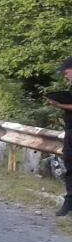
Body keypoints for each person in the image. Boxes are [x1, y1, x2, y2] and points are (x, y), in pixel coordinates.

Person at [45, 55, 72, 217]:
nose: (65, 75)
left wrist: (59, 105)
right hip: (70, 132)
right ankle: (69, 202)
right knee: (69, 167)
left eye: (67, 72)